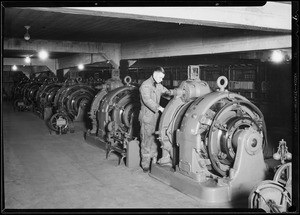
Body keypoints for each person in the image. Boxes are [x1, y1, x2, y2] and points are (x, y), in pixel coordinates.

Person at [139, 66, 173, 173]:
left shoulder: (158, 85)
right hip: (147, 118)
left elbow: (167, 93)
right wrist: (160, 108)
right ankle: (145, 165)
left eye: (162, 78)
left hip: (156, 118)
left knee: (155, 139)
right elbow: (147, 100)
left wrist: (176, 95)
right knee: (146, 141)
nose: (161, 80)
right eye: (160, 77)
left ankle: (154, 160)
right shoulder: (145, 85)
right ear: (154, 74)